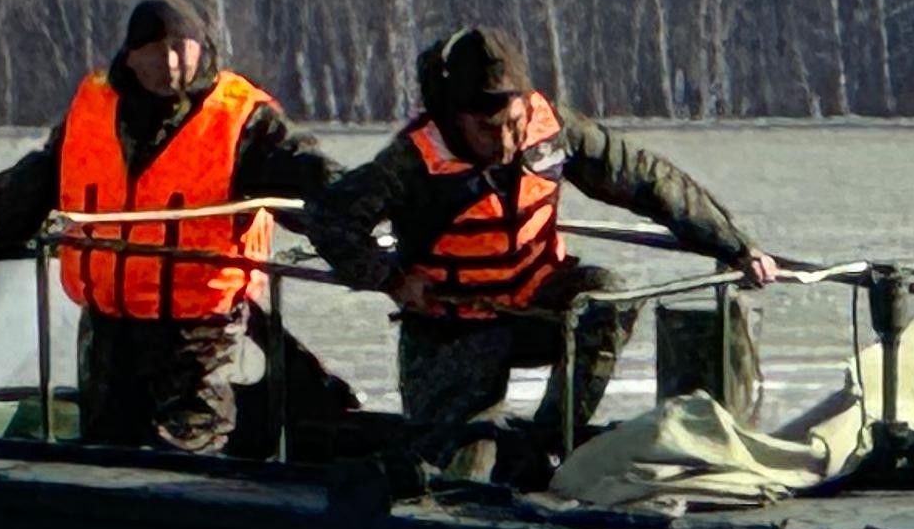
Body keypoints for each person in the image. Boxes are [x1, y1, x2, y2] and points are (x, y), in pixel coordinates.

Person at [308, 24, 785, 481]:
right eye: (487, 129)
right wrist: (391, 279)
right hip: (451, 328)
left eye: (513, 124)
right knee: (460, 470)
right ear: (456, 118)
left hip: (537, 305)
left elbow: (646, 179)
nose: (506, 143)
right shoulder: (411, 161)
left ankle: (553, 439)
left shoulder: (553, 129)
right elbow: (331, 219)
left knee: (606, 296)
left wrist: (734, 244)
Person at [0, 0, 339, 454]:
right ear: (132, 55)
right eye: (157, 49)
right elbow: (44, 176)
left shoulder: (243, 119)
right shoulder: (93, 108)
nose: (172, 61)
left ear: (203, 48)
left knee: (186, 454)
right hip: (108, 331)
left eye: (183, 46)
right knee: (104, 455)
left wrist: (360, 217)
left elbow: (313, 179)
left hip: (198, 334)